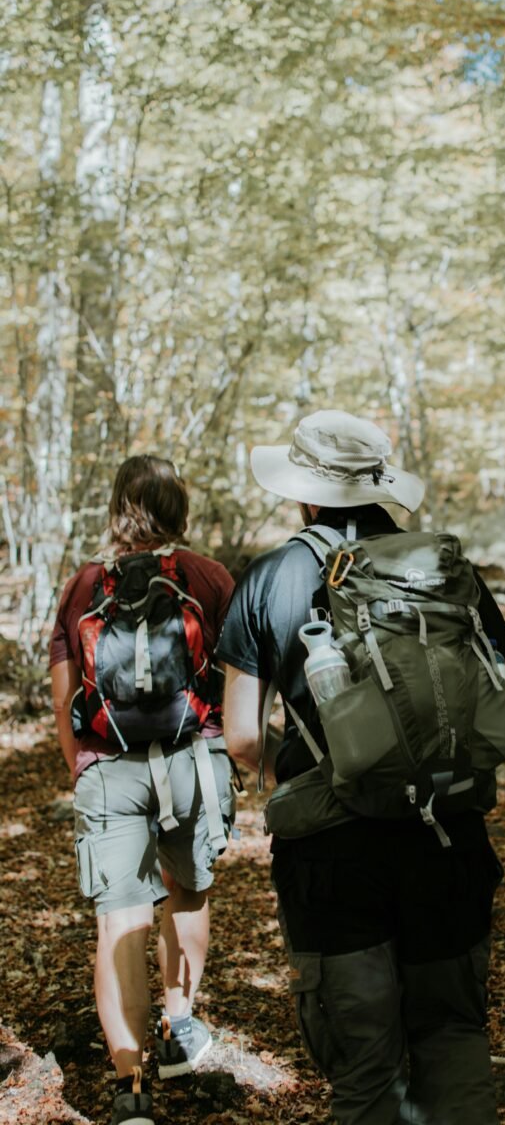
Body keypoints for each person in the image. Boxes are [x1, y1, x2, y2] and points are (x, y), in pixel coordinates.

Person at [217, 409, 505, 1125]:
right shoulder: (446, 567)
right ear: (379, 485)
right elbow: (495, 694)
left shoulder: (271, 576)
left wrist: (305, 772)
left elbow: (238, 735)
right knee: (452, 1034)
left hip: (333, 854)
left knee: (366, 1069)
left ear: (305, 491)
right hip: (447, 834)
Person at [50, 455, 236, 1125]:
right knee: (187, 891)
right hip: (193, 759)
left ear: (116, 505)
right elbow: (237, 677)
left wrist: (83, 767)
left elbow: (63, 694)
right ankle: (179, 1027)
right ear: (179, 506)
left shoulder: (83, 585)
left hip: (110, 765)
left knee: (118, 917)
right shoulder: (208, 575)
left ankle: (130, 1083)